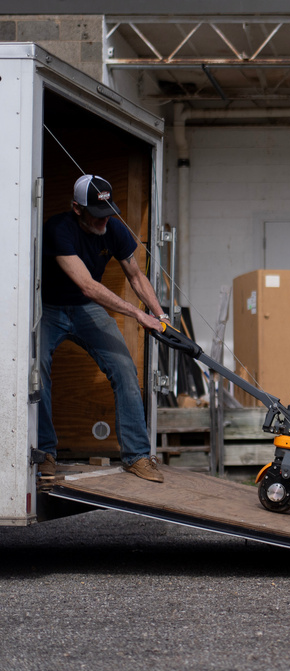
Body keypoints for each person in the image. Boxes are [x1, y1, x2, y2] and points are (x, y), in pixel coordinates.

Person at [38, 175, 167, 483]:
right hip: (48, 308)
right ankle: (44, 452)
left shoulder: (113, 227)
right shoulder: (59, 229)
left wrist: (159, 314)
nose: (104, 221)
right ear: (77, 208)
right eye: (97, 216)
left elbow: (136, 276)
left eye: (108, 212)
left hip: (86, 311)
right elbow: (88, 286)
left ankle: (137, 455)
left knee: (124, 368)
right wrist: (137, 314)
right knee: (37, 368)